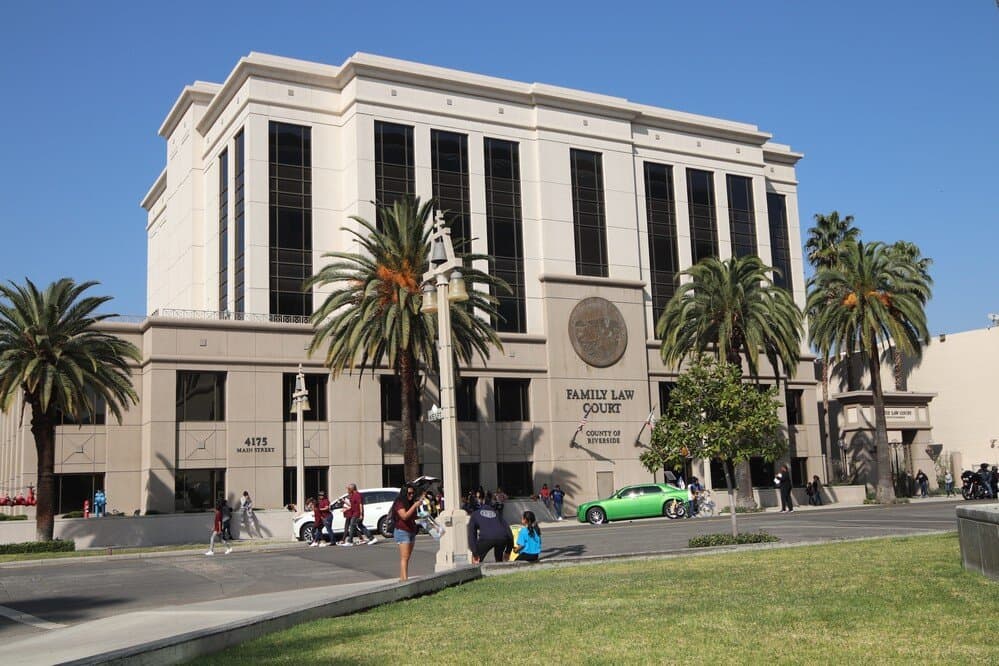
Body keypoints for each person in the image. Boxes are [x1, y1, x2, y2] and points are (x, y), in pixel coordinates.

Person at [392, 484, 424, 581]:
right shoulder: (399, 502)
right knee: (404, 557)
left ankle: (402, 579)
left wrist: (422, 516)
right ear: (404, 493)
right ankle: (405, 581)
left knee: (407, 558)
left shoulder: (410, 502)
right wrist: (414, 506)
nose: (411, 495)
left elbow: (412, 516)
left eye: (413, 493)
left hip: (411, 531)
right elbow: (404, 516)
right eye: (409, 493)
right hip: (402, 531)